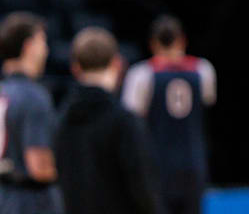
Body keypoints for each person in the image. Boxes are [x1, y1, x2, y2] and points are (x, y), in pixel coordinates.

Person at [54, 27, 162, 214]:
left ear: (75, 67)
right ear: (117, 64)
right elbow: (142, 186)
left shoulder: (60, 119)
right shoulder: (125, 121)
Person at [121, 15, 215, 214]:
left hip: (158, 163)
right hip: (193, 162)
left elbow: (130, 117)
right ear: (182, 40)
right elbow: (208, 99)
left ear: (153, 43)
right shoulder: (203, 70)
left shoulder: (141, 74)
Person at [0, 12, 63, 214]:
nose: (46, 50)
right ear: (29, 46)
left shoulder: (3, 91)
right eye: (43, 42)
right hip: (30, 202)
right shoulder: (33, 96)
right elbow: (39, 167)